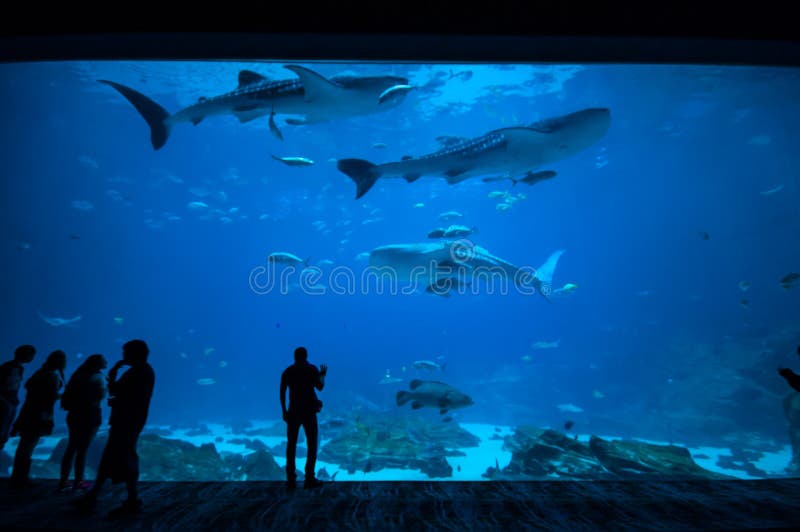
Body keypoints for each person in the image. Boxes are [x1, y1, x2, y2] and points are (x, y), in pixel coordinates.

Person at [75, 340, 154, 517]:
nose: (123, 356)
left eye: (125, 353)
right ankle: (94, 496)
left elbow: (116, 390)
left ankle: (132, 500)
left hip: (127, 421)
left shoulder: (138, 372)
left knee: (126, 457)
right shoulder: (142, 371)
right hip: (126, 421)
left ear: (134, 354)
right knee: (111, 457)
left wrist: (114, 371)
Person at [9, 349, 66, 488]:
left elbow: (30, 388)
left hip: (29, 412)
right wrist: (64, 396)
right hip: (39, 415)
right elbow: (50, 397)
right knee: (28, 446)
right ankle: (20, 479)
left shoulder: (39, 373)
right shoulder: (51, 376)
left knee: (24, 445)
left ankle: (18, 476)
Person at [280, 346, 327, 490]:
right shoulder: (311, 369)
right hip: (308, 411)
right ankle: (309, 478)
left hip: (293, 411)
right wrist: (322, 375)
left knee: (291, 445)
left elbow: (281, 393)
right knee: (312, 444)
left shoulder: (288, 371)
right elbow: (320, 387)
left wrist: (284, 411)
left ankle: (291, 479)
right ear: (306, 356)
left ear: (294, 357)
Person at [59, 354, 108, 492]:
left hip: (74, 414)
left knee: (71, 448)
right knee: (83, 450)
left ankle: (63, 481)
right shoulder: (98, 377)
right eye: (104, 360)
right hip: (91, 414)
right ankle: (78, 482)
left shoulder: (78, 375)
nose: (107, 362)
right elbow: (101, 396)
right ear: (98, 363)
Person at [0, 344, 36, 453]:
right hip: (4, 402)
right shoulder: (7, 367)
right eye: (31, 355)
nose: (32, 358)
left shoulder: (20, 368)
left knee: (4, 431)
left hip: (11, 402)